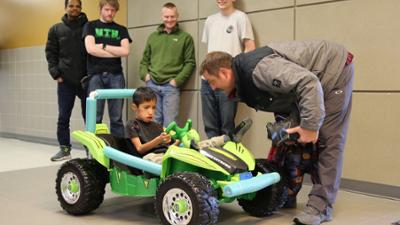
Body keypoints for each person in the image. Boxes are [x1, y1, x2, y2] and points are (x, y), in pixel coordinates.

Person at [200, 39, 354, 225]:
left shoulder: (258, 69)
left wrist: (310, 126)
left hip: (331, 71)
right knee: (285, 139)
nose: (213, 88)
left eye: (212, 82)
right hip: (307, 86)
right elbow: (282, 94)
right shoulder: (243, 81)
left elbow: (308, 83)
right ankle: (285, 193)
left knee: (327, 141)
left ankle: (321, 206)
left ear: (224, 73)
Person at [201, 0, 255, 138]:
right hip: (207, 81)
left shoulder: (240, 17)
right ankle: (211, 158)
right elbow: (209, 51)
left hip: (227, 81)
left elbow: (250, 48)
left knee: (227, 126)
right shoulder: (209, 20)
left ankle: (226, 158)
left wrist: (239, 74)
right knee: (210, 127)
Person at [139, 2, 195, 128]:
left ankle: (167, 148)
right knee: (153, 121)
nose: (169, 20)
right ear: (162, 17)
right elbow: (144, 60)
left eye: (172, 16)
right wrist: (145, 76)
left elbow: (190, 63)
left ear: (177, 16)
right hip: (152, 84)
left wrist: (177, 81)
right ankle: (155, 148)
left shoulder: (185, 38)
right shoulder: (153, 37)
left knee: (170, 123)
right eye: (166, 17)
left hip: (171, 87)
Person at [45, 0, 88, 161]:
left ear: (81, 8)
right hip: (65, 82)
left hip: (86, 81)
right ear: (66, 8)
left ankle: (90, 150)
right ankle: (64, 149)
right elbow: (50, 53)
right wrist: (56, 73)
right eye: (71, 6)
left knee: (90, 118)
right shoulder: (56, 29)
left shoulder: (89, 27)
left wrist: (92, 74)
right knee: (63, 117)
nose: (74, 9)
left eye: (77, 6)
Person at [83, 0, 132, 138]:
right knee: (94, 117)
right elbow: (90, 49)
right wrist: (114, 52)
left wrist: (103, 46)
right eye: (107, 9)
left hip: (116, 75)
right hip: (95, 76)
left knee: (116, 118)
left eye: (113, 10)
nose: (110, 13)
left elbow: (126, 51)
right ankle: (92, 153)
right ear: (101, 9)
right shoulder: (90, 26)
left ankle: (118, 152)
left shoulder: (122, 29)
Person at [125, 87, 178, 164]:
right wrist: (158, 140)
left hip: (165, 154)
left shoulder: (157, 126)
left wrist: (180, 140)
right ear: (135, 107)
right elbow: (140, 149)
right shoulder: (133, 125)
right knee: (162, 160)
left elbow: (171, 147)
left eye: (153, 108)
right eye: (146, 107)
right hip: (149, 158)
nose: (151, 112)